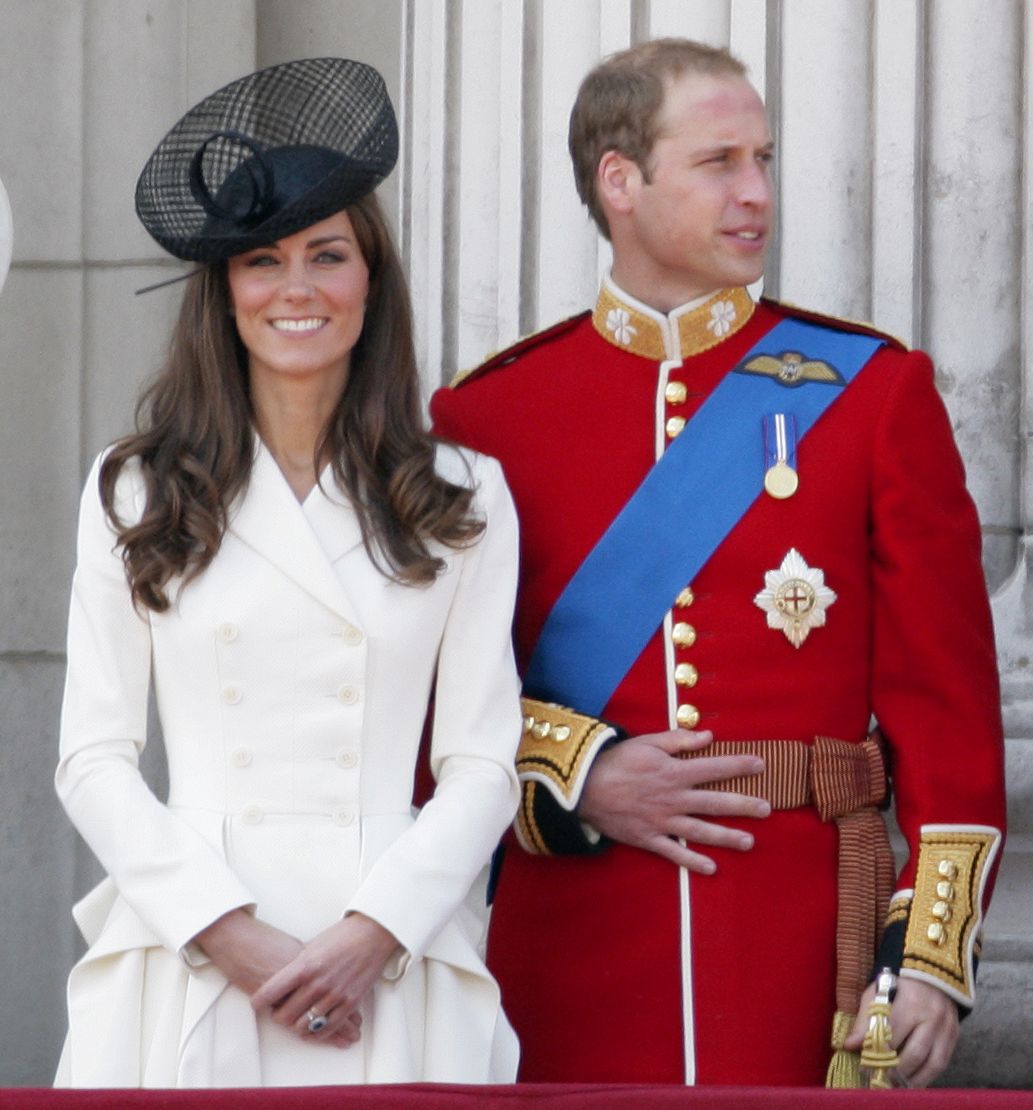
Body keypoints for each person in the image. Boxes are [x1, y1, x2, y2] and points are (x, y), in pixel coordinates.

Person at [431, 38, 1006, 1088]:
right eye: (718, 162)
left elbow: (947, 716)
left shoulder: (871, 393)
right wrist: (579, 776)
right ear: (620, 182)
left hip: (799, 955)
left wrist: (926, 961)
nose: (757, 194)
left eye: (765, 160)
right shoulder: (488, 417)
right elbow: (434, 706)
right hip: (569, 955)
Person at [55, 57, 521, 1088]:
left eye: (328, 254)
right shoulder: (135, 491)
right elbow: (92, 755)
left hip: (394, 954)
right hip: (189, 948)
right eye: (263, 261)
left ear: (372, 279)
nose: (296, 289)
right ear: (225, 293)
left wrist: (373, 934)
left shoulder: (462, 495)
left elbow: (485, 760)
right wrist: (226, 934)